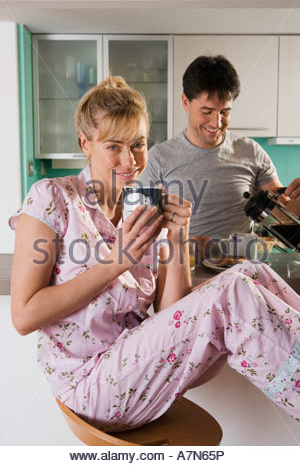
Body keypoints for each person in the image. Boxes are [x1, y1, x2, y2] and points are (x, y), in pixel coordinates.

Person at [9, 76, 300, 433]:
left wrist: (176, 234)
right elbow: (23, 316)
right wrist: (117, 261)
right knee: (232, 294)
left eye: (139, 145)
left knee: (251, 273)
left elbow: (170, 312)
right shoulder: (52, 197)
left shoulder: (143, 208)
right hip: (91, 387)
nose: (130, 161)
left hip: (141, 368)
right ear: (86, 143)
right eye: (113, 146)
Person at [139, 55, 300, 252]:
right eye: (207, 111)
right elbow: (140, 227)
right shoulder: (158, 158)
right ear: (185, 102)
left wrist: (296, 200)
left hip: (240, 271)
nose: (217, 123)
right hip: (183, 272)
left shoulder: (251, 152)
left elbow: (282, 215)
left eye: (225, 112)